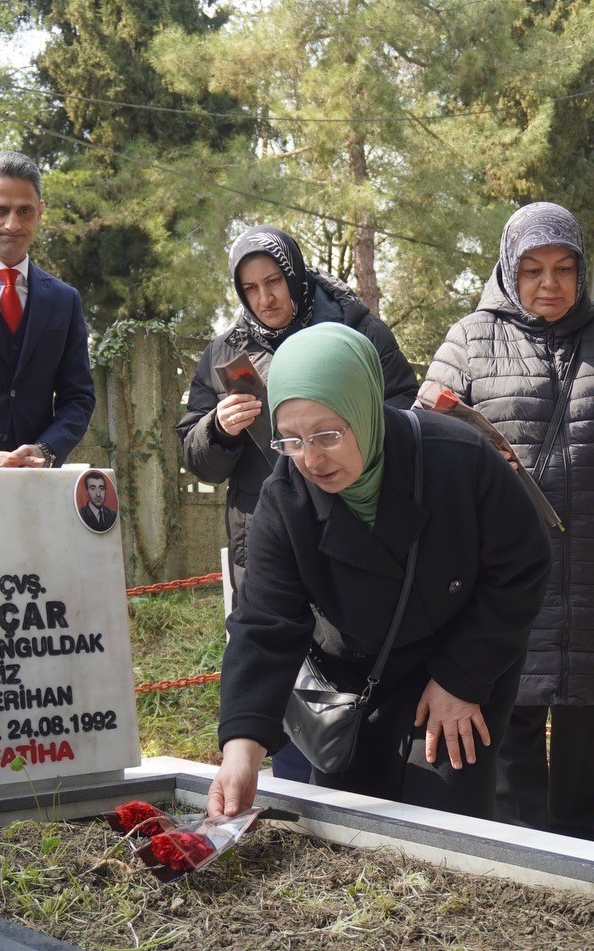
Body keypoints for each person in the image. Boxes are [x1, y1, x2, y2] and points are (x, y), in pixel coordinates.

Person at [423, 202, 594, 842]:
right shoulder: (470, 340)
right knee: (509, 711)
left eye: (564, 268)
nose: (549, 283)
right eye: (532, 269)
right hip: (504, 574)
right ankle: (520, 847)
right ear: (508, 271)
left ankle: (580, 842)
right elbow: (427, 446)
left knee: (590, 720)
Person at [207, 324, 551, 820]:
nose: (312, 459)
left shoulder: (458, 460)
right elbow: (264, 624)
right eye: (292, 440)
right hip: (354, 682)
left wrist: (461, 678)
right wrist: (241, 753)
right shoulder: (285, 498)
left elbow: (523, 564)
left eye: (328, 434)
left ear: (364, 408)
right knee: (352, 831)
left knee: (444, 829)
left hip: (457, 660)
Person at [177, 225, 416, 782]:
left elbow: (404, 410)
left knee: (350, 664)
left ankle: (358, 784)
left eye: (275, 281)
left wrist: (338, 425)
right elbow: (197, 458)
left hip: (351, 530)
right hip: (261, 535)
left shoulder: (355, 330)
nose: (266, 298)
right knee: (278, 663)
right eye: (251, 288)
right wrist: (219, 429)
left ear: (297, 276)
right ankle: (284, 793)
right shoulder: (226, 353)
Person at [0, 151, 95, 469]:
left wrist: (45, 449)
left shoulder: (65, 299)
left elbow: (78, 397)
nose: (13, 223)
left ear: (40, 212)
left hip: (35, 479)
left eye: (24, 210)